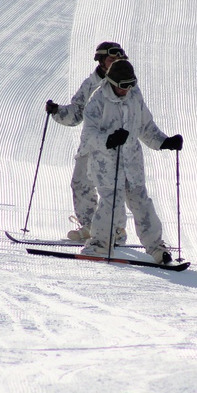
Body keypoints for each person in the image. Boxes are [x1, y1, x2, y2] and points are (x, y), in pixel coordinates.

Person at [76, 59, 183, 264]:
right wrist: (109, 139)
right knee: (111, 202)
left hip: (132, 162)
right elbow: (88, 136)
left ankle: (157, 248)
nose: (127, 90)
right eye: (123, 86)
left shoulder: (134, 95)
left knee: (142, 202)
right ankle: (98, 244)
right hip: (106, 163)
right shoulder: (97, 101)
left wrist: (164, 142)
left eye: (130, 84)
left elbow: (146, 127)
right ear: (111, 81)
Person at [45, 42, 127, 242]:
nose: (115, 63)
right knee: (80, 184)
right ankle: (90, 227)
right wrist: (57, 112)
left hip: (113, 145)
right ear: (100, 61)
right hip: (90, 145)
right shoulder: (90, 84)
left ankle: (115, 230)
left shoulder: (125, 82)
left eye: (119, 59)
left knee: (110, 186)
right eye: (111, 59)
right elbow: (75, 114)